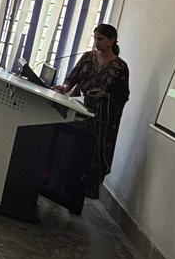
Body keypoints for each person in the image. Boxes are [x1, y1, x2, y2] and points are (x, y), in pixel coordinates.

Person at [53, 23, 131, 214]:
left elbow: (123, 95)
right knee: (67, 152)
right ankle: (56, 192)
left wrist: (105, 95)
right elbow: (73, 78)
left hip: (99, 121)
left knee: (85, 161)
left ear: (112, 40)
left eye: (101, 39)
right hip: (77, 111)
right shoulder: (88, 57)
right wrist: (65, 88)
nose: (97, 42)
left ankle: (75, 202)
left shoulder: (120, 67)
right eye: (95, 38)